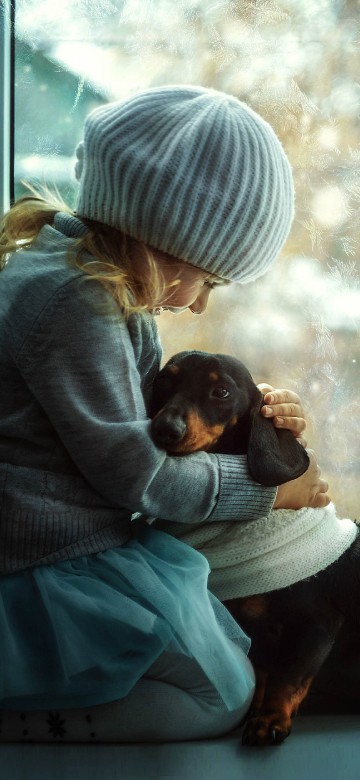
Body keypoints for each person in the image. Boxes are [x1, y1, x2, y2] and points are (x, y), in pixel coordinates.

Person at [0, 85, 329, 743]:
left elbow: (150, 422)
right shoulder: (75, 303)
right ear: (164, 239)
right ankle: (29, 730)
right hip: (46, 564)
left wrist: (248, 415)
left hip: (67, 546)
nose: (202, 306)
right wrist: (271, 493)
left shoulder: (83, 282)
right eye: (207, 280)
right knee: (221, 693)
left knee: (222, 668)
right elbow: (141, 475)